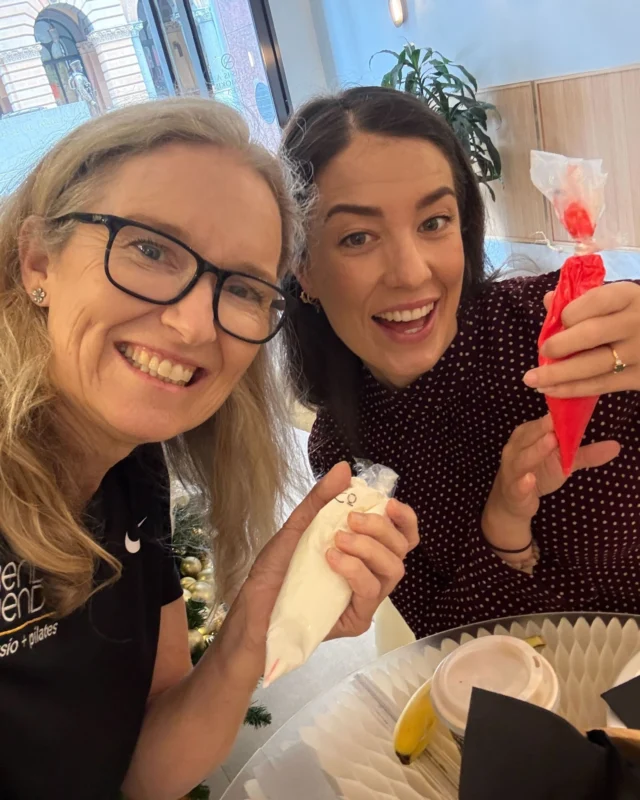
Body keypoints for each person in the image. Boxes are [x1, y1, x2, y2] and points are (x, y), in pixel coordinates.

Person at [0, 97, 419, 799]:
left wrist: (257, 619)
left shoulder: (134, 469)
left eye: (243, 288)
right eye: (151, 249)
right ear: (39, 257)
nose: (196, 325)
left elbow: (145, 770)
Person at [281, 86, 640, 640]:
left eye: (433, 223)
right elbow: (443, 647)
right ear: (303, 268)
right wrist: (504, 526)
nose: (410, 272)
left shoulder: (564, 333)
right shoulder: (342, 449)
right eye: (357, 237)